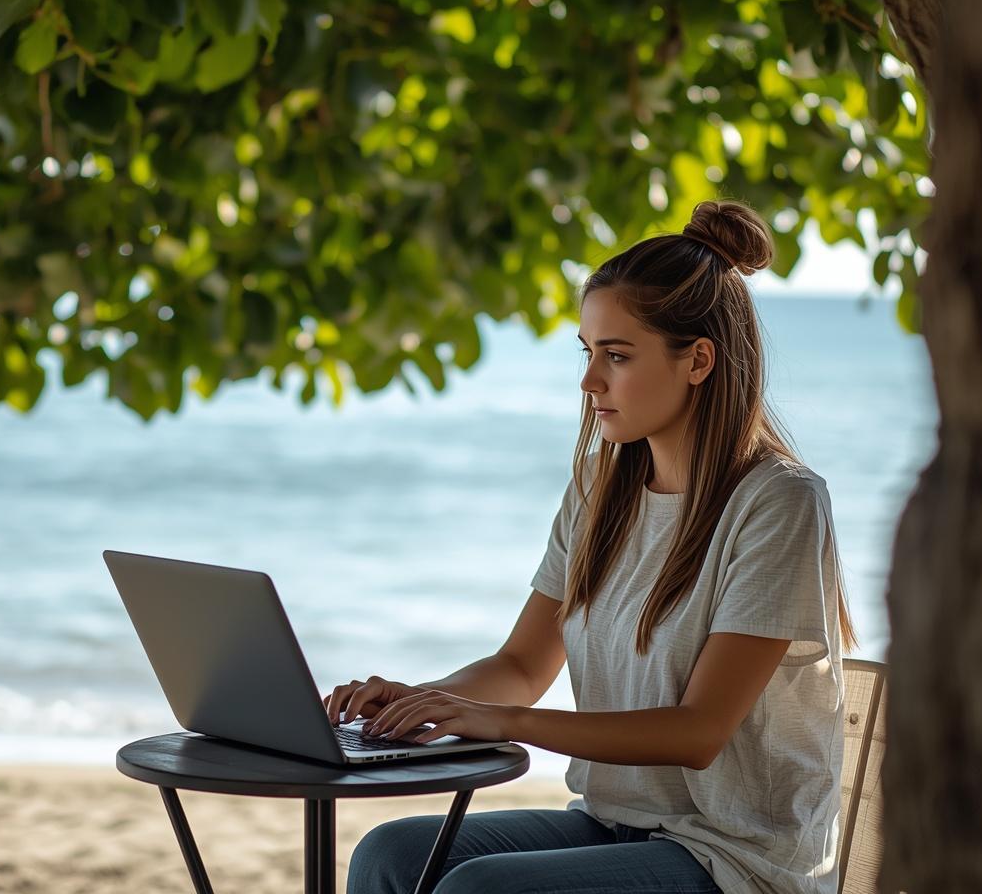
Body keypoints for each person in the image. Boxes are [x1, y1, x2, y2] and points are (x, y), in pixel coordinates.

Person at [329, 199, 859, 894]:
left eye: (616, 356)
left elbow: (697, 733)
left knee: (479, 892)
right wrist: (421, 701)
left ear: (698, 360)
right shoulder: (599, 489)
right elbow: (521, 664)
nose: (589, 382)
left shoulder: (779, 502)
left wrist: (504, 722)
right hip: (614, 822)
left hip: (734, 860)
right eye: (589, 353)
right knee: (389, 855)